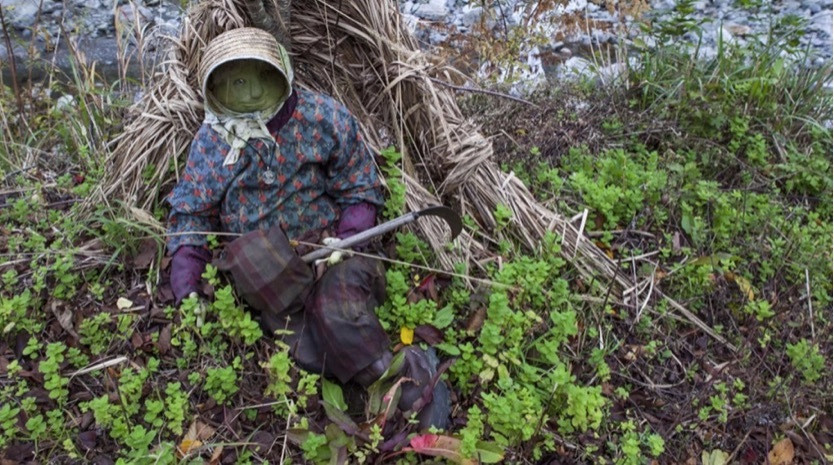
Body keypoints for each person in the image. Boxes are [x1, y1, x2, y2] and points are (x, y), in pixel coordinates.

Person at [165, 27, 449, 429]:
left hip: (334, 249)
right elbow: (191, 212)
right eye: (236, 83)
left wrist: (348, 238)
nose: (247, 95)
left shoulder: (322, 117)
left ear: (280, 75)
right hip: (270, 270)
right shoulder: (212, 142)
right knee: (283, 309)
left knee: (340, 309)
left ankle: (403, 379)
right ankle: (359, 370)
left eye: (259, 79)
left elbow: (359, 184)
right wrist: (188, 283)